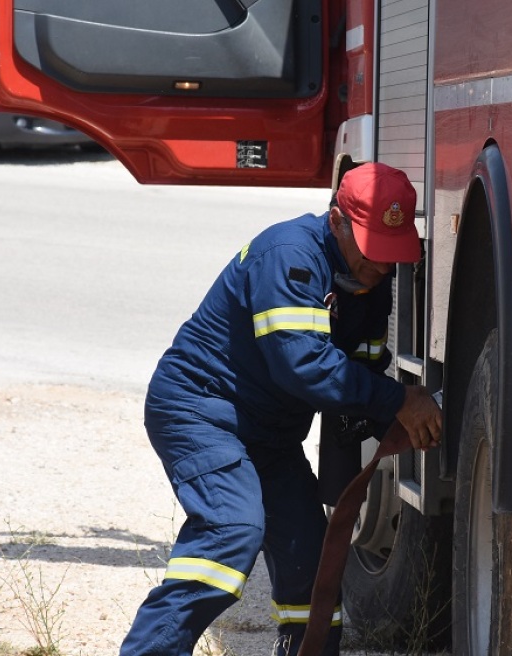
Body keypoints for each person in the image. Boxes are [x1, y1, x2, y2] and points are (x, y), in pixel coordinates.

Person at [120, 162, 443, 656]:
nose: (381, 267)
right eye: (372, 251)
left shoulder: (371, 289)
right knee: (232, 532)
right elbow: (306, 367)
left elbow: (358, 387)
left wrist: (416, 418)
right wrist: (400, 401)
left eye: (391, 254)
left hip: (267, 434)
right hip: (201, 410)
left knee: (313, 564)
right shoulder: (290, 255)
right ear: (337, 221)